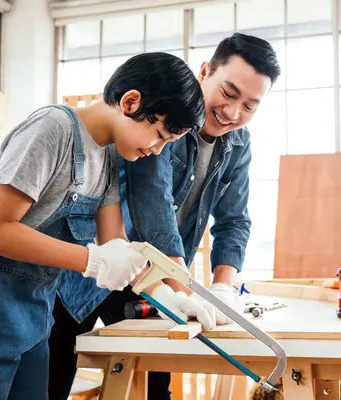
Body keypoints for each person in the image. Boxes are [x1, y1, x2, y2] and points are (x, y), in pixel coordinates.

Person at [0, 52, 206, 400]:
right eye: (158, 135)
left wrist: (167, 297)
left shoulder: (110, 157)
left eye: (167, 145)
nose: (156, 151)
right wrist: (91, 261)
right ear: (130, 102)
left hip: (34, 306)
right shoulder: (53, 128)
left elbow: (117, 246)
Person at [48, 32, 281, 399]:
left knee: (155, 387)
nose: (234, 113)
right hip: (96, 262)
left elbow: (234, 219)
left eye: (250, 105)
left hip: (156, 278)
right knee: (53, 376)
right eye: (229, 93)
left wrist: (222, 288)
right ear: (205, 72)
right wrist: (179, 288)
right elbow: (152, 204)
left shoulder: (239, 144)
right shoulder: (164, 115)